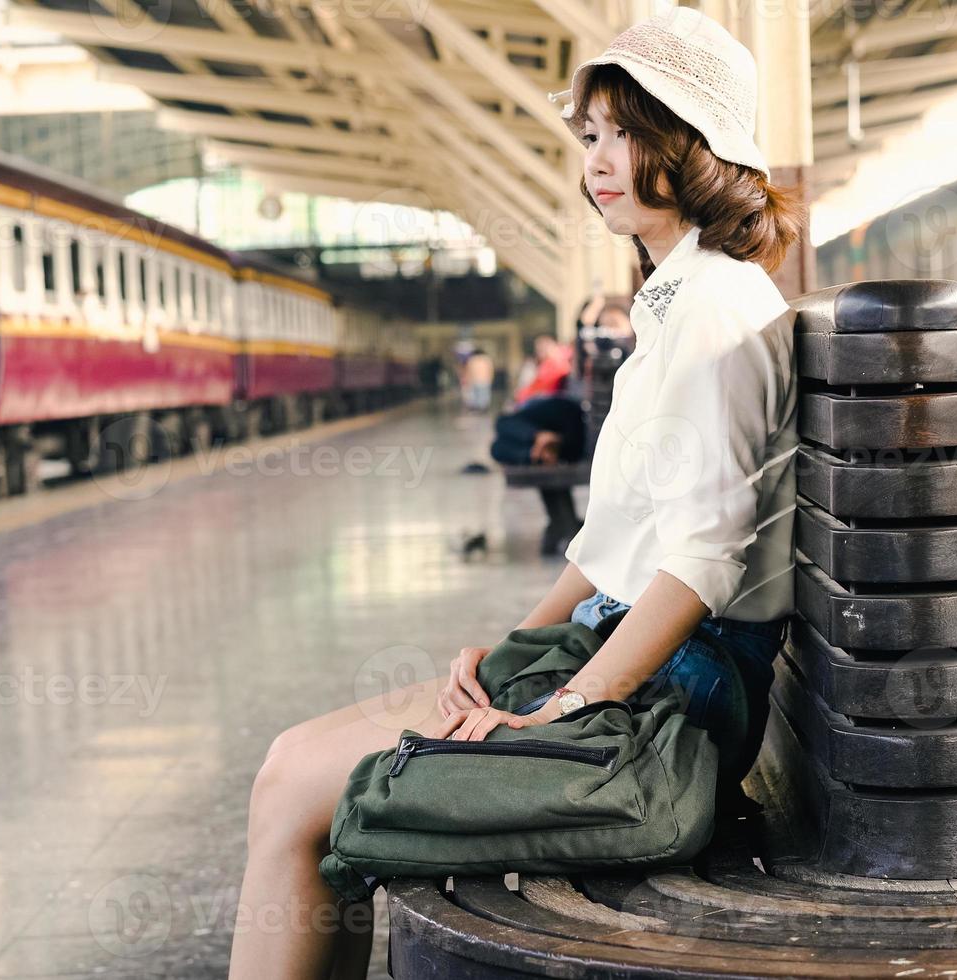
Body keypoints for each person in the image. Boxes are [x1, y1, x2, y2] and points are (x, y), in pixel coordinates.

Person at [228, 9, 807, 977]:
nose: (600, 160)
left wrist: (570, 700)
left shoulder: (709, 306)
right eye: (590, 136)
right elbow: (609, 537)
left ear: (693, 145)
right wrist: (506, 651)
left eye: (629, 131)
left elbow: (703, 560)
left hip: (674, 695)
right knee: (291, 764)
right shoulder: (678, 297)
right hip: (637, 652)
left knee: (295, 789)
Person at [513, 334, 573, 405]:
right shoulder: (546, 364)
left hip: (548, 402)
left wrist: (521, 396)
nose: (539, 352)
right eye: (538, 350)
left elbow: (543, 388)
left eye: (542, 348)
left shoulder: (557, 363)